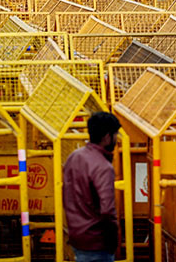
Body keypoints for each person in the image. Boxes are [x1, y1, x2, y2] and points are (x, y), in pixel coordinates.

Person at [62, 111, 121, 262]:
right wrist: (113, 240)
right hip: (97, 243)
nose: (117, 139)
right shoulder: (103, 167)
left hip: (77, 237)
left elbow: (66, 196)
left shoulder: (74, 157)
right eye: (116, 135)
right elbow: (107, 211)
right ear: (107, 136)